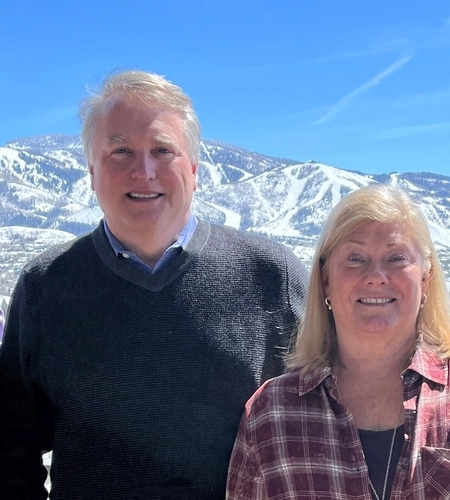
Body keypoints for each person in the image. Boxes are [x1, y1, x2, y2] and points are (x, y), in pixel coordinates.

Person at [0, 70, 308, 500]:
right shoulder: (44, 287)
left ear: (195, 170)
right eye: (120, 150)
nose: (143, 171)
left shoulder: (273, 277)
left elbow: (327, 422)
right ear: (91, 172)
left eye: (162, 150)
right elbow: (12, 448)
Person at [227, 184, 450, 500]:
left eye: (396, 257)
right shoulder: (271, 413)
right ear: (326, 280)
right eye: (355, 258)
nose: (377, 276)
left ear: (426, 279)